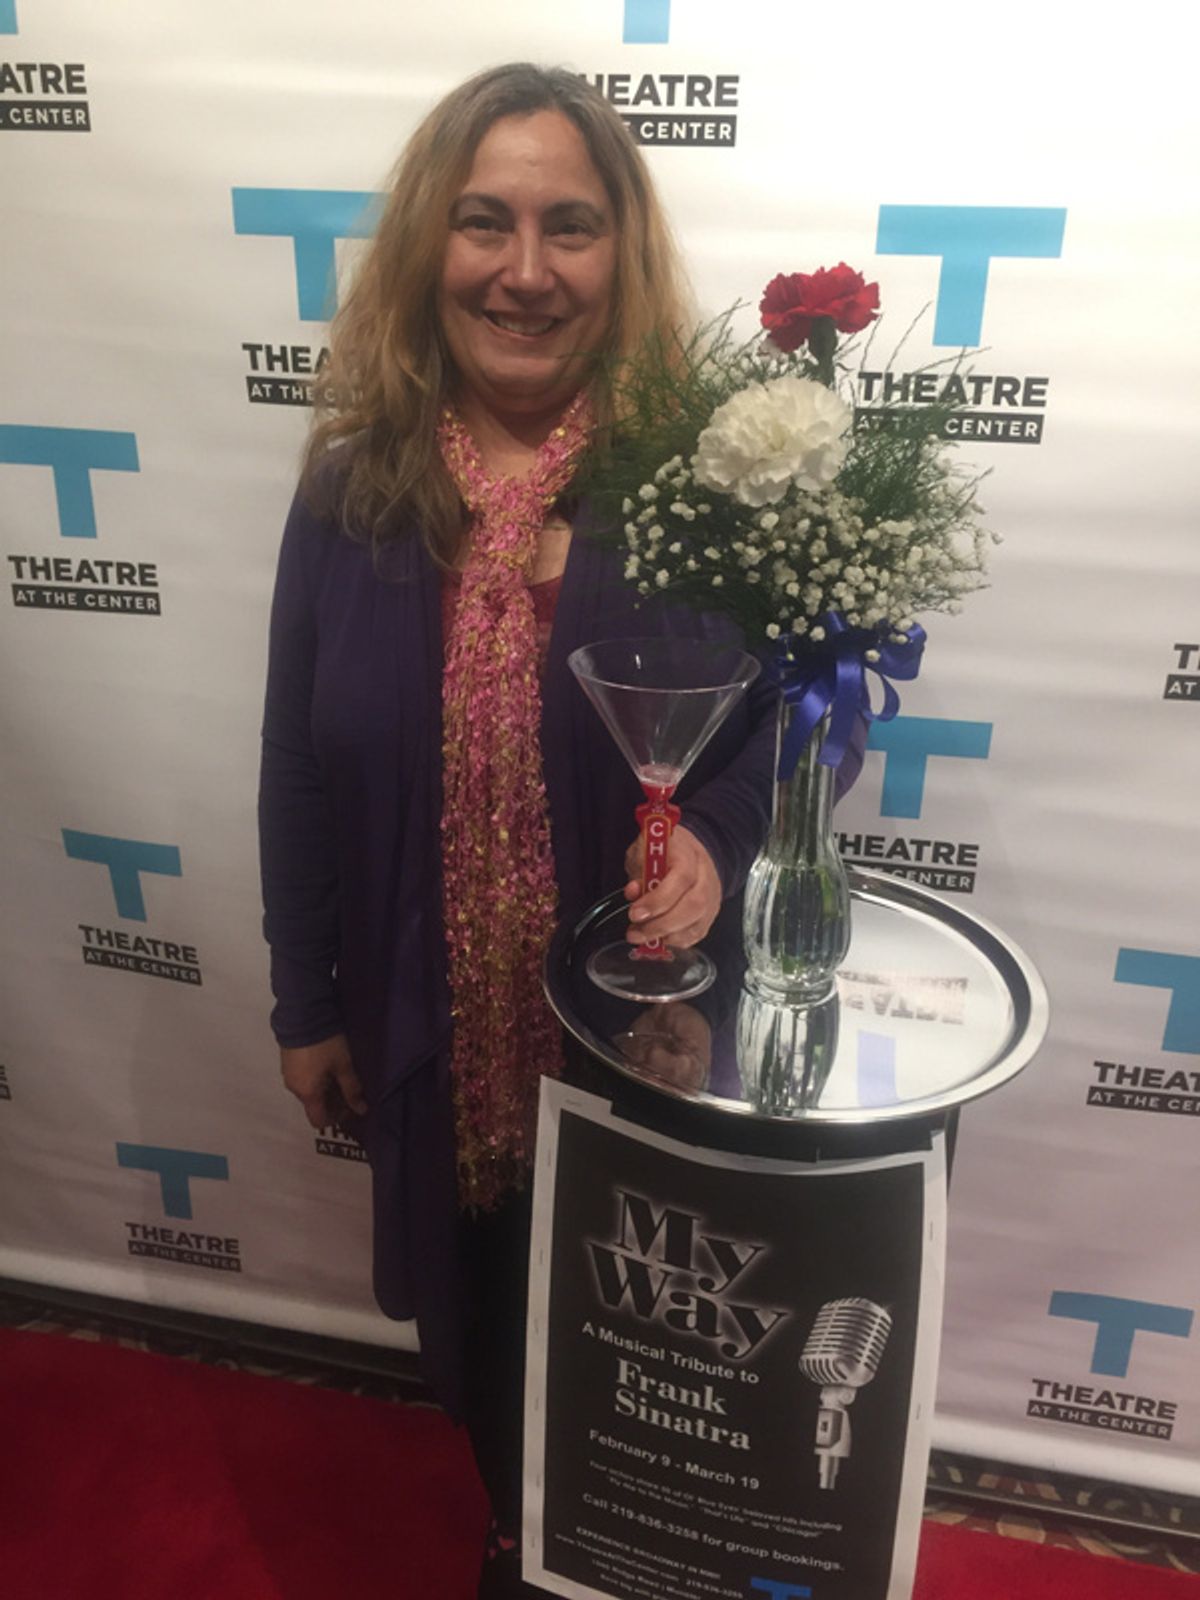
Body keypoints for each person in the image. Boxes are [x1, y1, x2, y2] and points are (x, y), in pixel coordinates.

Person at [259, 63, 813, 1597]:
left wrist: (711, 835)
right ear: (427, 248)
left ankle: (638, 1545)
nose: (524, 269)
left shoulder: (695, 488)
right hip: (433, 1023)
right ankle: (522, 1528)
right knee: (481, 1313)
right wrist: (307, 1001)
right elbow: (298, 768)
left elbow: (764, 734)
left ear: (620, 258)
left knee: (648, 1326)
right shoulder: (352, 494)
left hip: (641, 1039)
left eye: (569, 227)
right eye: (484, 222)